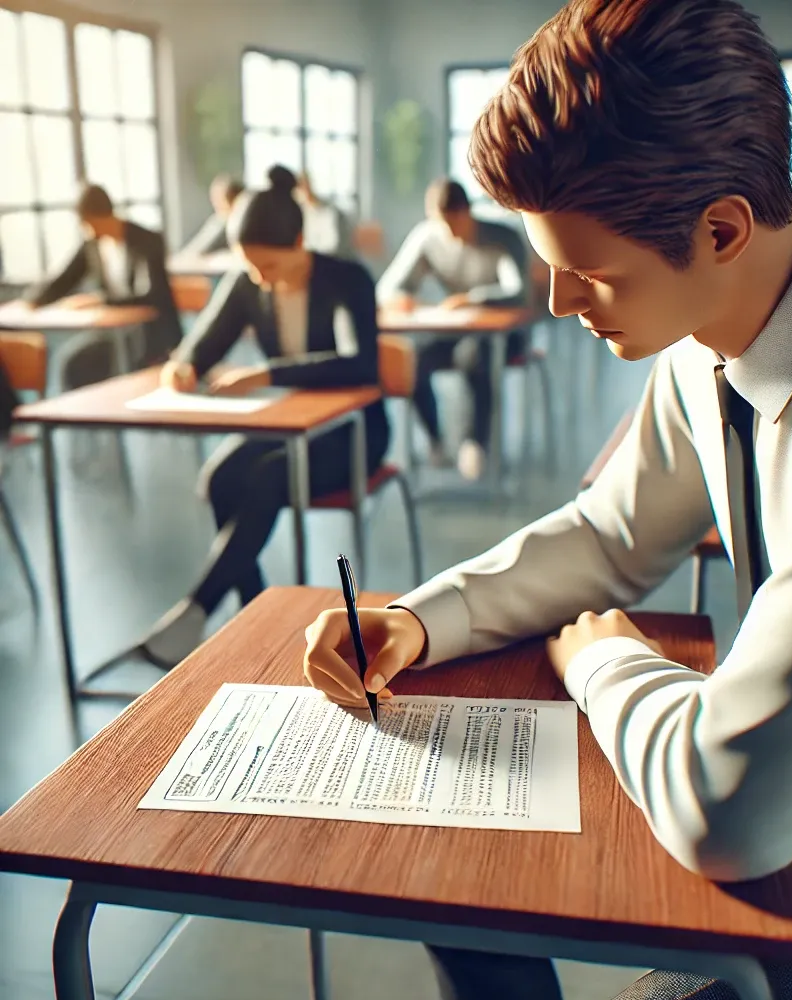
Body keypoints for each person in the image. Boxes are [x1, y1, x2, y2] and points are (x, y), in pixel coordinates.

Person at [304, 1, 792, 1000]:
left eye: (588, 270)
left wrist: (599, 655)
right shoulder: (712, 335)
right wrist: (420, 619)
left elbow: (730, 813)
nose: (556, 302)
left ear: (722, 227)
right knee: (458, 888)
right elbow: (611, 531)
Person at [140, 166, 390, 669]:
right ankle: (253, 610)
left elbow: (360, 362)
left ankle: (196, 610)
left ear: (300, 241)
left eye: (269, 265)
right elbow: (203, 344)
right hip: (288, 424)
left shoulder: (346, 279)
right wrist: (184, 366)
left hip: (353, 432)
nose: (259, 278)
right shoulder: (247, 283)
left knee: (273, 474)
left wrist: (265, 373)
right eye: (250, 266)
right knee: (221, 478)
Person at [377, 177, 529, 480]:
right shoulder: (428, 237)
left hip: (504, 336)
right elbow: (388, 288)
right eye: (441, 224)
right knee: (415, 361)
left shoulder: (502, 238)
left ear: (468, 212)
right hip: (455, 332)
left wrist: (472, 299)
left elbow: (518, 292)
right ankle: (436, 440)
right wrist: (400, 298)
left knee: (475, 355)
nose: (449, 233)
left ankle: (475, 443)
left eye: (454, 223)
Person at [23, 182, 182, 373]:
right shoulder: (93, 245)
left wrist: (100, 300)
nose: (86, 229)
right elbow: (65, 279)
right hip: (113, 335)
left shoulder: (147, 241)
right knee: (72, 365)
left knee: (127, 365)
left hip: (150, 334)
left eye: (88, 222)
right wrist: (32, 300)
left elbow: (152, 295)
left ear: (97, 218)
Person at [177, 174, 246, 257]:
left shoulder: (228, 224)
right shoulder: (218, 221)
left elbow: (196, 253)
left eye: (219, 198)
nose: (215, 203)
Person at [294, 170, 356, 260]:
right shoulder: (299, 215)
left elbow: (334, 245)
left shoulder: (330, 212)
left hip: (332, 261)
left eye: (303, 185)